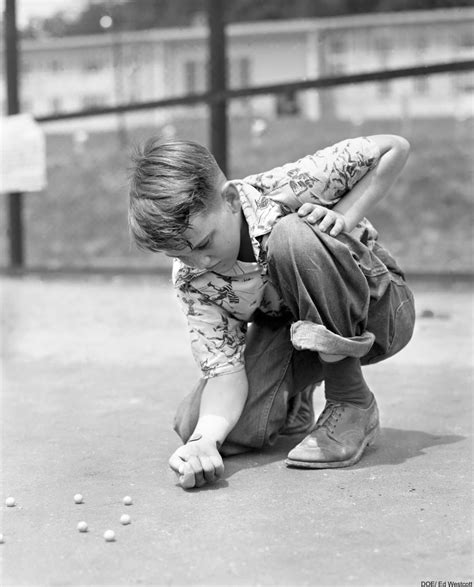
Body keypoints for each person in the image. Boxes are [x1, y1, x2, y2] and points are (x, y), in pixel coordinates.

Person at [128, 133, 415, 490]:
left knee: (292, 237)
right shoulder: (192, 279)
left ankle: (351, 400)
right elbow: (223, 373)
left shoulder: (290, 185)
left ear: (230, 199)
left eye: (203, 243)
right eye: (180, 254)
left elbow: (394, 147)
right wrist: (204, 442)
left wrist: (342, 216)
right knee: (196, 426)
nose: (198, 262)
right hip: (293, 331)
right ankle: (296, 399)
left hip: (378, 309)